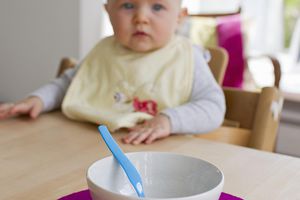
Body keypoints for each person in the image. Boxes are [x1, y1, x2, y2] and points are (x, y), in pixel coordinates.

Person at [0, 0, 225, 145]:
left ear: (179, 17)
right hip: (85, 146)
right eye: (128, 5)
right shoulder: (104, 51)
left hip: (157, 158)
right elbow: (69, 84)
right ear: (107, 10)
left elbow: (213, 107)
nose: (141, 18)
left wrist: (169, 120)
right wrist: (38, 100)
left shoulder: (186, 57)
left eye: (157, 7)